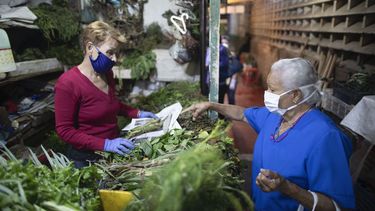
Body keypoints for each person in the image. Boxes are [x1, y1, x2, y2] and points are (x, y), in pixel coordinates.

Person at [185, 58, 355, 210]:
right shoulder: (275, 116)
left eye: (273, 90)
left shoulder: (325, 137)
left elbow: (336, 206)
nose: (267, 94)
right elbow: (243, 114)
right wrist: (212, 105)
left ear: (295, 95)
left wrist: (290, 189)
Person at [54, 21, 157, 168]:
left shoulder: (106, 73)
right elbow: (65, 131)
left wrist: (137, 113)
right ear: (90, 48)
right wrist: (105, 144)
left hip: (113, 149)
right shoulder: (68, 83)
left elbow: (110, 104)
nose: (115, 59)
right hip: (86, 158)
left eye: (116, 53)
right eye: (110, 52)